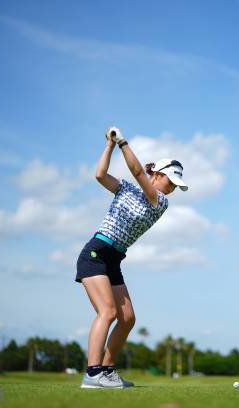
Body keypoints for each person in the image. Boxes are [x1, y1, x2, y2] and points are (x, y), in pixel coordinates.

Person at [76, 126, 189, 389]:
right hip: (96, 252)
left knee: (127, 318)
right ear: (159, 175)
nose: (172, 189)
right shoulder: (126, 189)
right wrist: (112, 145)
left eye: (175, 186)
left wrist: (123, 142)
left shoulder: (160, 202)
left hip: (113, 259)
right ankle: (93, 375)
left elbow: (139, 172)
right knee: (108, 312)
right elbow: (100, 175)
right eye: (171, 182)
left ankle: (107, 370)